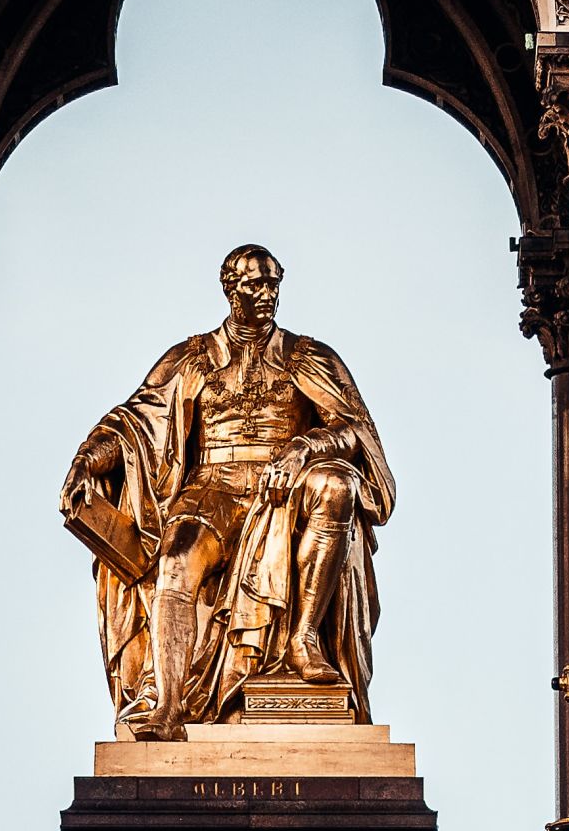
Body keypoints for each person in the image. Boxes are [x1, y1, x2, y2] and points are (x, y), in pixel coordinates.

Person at [63, 242, 396, 735]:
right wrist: (87, 460)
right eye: (255, 285)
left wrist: (305, 446)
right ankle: (169, 707)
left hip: (282, 490)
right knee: (176, 563)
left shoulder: (309, 356)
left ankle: (304, 639)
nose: (267, 295)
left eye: (273, 283)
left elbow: (355, 430)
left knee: (338, 482)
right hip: (210, 490)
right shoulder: (191, 358)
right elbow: (137, 423)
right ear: (230, 290)